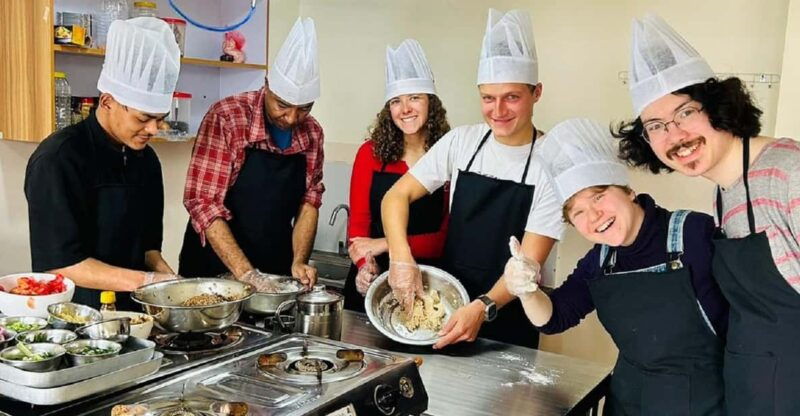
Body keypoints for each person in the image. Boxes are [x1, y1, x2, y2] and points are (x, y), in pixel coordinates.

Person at [613, 14, 800, 415]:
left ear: (718, 107)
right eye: (656, 126)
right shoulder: (724, 192)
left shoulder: (789, 173)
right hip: (752, 391)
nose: (675, 135)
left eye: (684, 113)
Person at [507, 118, 728, 415]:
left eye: (598, 197)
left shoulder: (695, 234)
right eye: (578, 213)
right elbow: (554, 317)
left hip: (702, 404)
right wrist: (527, 292)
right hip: (627, 401)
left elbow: (751, 322)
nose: (594, 216)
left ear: (627, 191)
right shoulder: (599, 260)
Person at [381, 9, 562, 349]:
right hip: (448, 307)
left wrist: (482, 307)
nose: (498, 110)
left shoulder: (552, 163)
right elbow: (395, 196)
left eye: (512, 97)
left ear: (536, 92)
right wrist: (401, 257)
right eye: (488, 98)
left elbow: (528, 261)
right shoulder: (462, 142)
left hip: (509, 317)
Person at [24, 17, 181, 310]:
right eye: (143, 118)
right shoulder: (58, 159)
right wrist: (147, 282)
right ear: (107, 101)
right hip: (78, 318)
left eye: (160, 119)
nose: (153, 129)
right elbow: (61, 264)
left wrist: (174, 286)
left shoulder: (147, 160)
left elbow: (148, 248)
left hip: (137, 315)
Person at [178, 17, 322, 291]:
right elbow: (203, 203)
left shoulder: (312, 133)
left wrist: (299, 261)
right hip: (214, 272)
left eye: (304, 108)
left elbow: (309, 201)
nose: (292, 118)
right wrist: (247, 275)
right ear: (266, 85)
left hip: (274, 269)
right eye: (282, 105)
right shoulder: (228, 118)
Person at [343, 39, 451, 311]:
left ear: (431, 102)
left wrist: (382, 244)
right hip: (375, 279)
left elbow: (444, 241)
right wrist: (364, 265)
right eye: (396, 101)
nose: (405, 109)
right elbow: (358, 228)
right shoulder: (369, 154)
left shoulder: (448, 155)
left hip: (429, 283)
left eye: (414, 97)